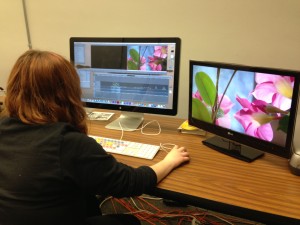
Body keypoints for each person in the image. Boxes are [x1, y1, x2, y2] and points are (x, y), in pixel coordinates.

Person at [0, 50, 190, 225]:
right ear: (67, 91)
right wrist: (169, 161)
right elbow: (130, 182)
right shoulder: (68, 144)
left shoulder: (4, 127)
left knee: (88, 197)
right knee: (129, 222)